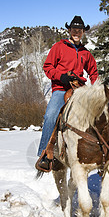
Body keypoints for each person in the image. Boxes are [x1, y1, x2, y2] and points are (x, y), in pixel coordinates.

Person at [36, 15, 98, 171]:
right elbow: (48, 67)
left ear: (83, 32)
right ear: (70, 30)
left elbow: (93, 72)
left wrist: (95, 87)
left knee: (97, 114)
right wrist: (61, 76)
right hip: (61, 88)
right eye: (74, 29)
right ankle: (45, 154)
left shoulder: (86, 53)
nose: (77, 32)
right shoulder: (59, 46)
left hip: (80, 89)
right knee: (51, 115)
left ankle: (101, 153)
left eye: (80, 30)